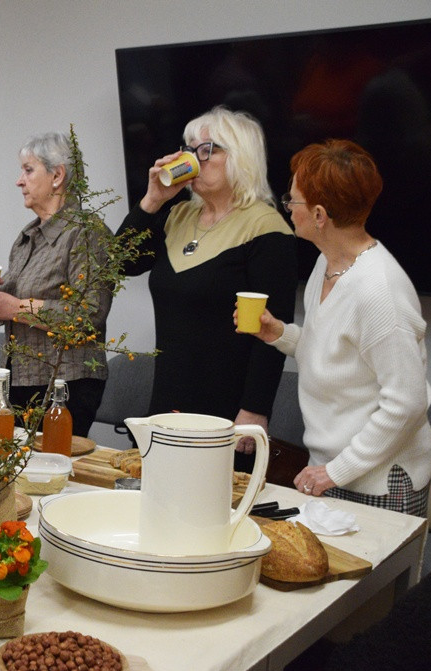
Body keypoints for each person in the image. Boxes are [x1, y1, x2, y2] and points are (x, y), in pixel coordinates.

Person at [242, 139, 431, 515]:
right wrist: (279, 334)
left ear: (318, 215)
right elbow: (337, 353)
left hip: (378, 478)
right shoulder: (328, 263)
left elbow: (407, 402)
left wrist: (336, 471)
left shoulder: (379, 291)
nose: (287, 208)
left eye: (292, 200)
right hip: (334, 469)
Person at [116, 106, 297, 470]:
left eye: (206, 149)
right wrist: (152, 200)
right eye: (189, 148)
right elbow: (120, 263)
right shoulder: (177, 215)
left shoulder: (266, 228)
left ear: (239, 158)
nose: (192, 158)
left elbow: (273, 332)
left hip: (226, 411)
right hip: (167, 399)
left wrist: (254, 410)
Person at [0, 132, 112, 436]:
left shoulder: (86, 233)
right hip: (19, 378)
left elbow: (89, 313)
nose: (19, 181)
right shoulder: (28, 235)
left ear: (57, 175)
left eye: (28, 170)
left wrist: (17, 307)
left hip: (65, 384)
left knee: (49, 476)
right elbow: (18, 300)